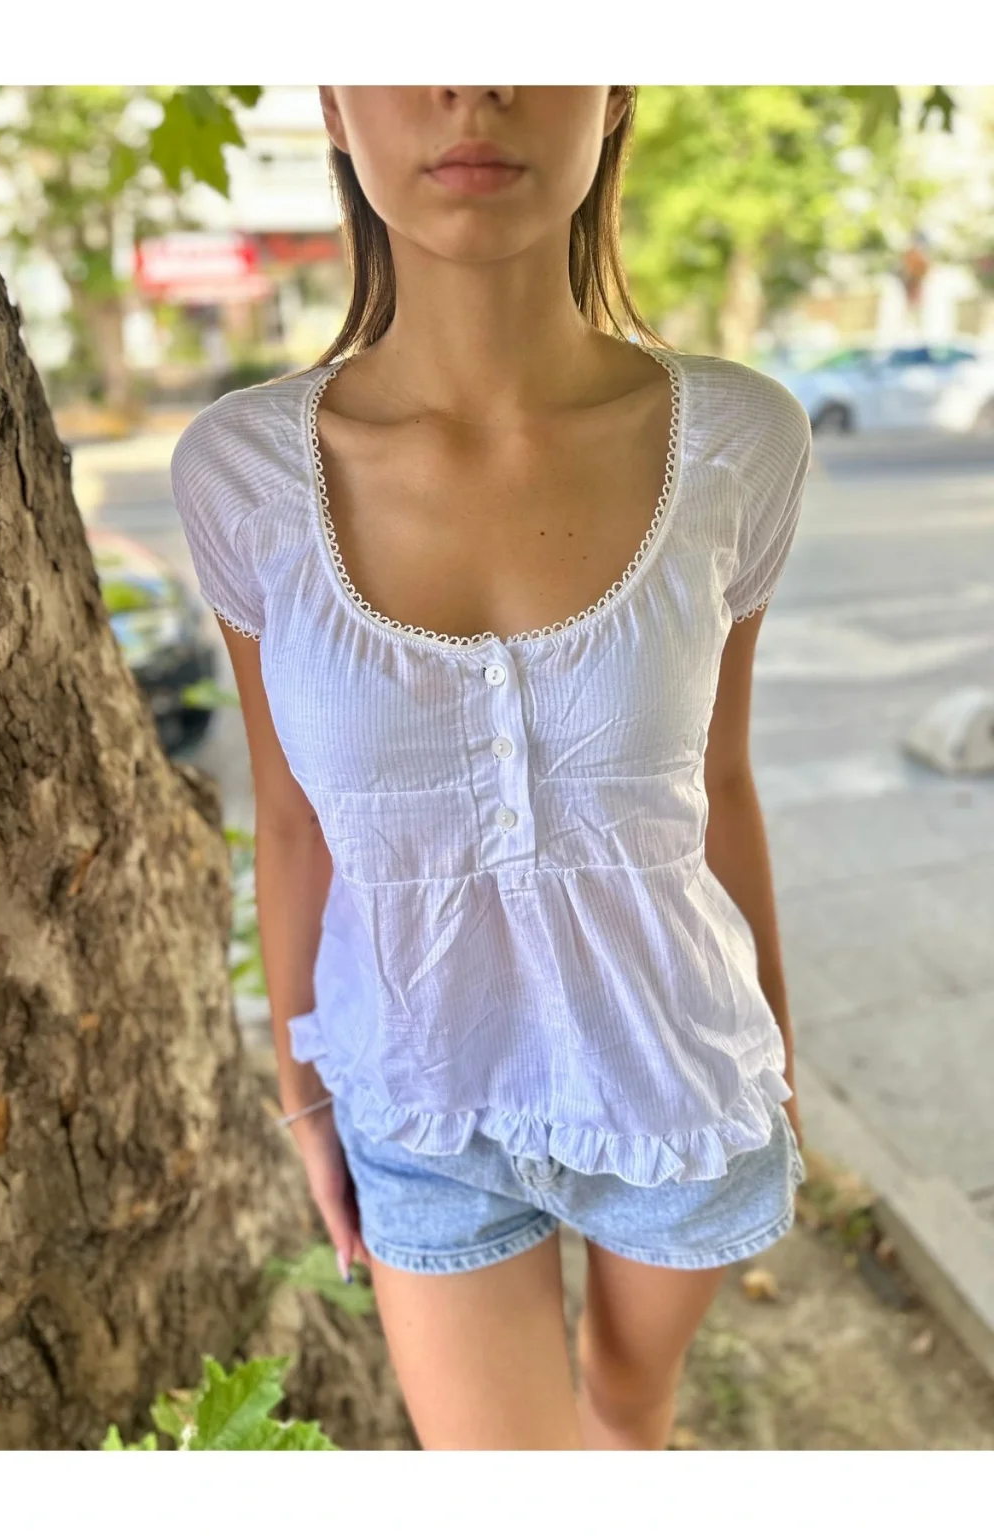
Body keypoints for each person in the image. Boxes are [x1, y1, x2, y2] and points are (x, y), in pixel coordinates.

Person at [171, 85, 811, 1452]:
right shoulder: (243, 472)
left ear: (615, 87)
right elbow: (290, 823)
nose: (473, 87)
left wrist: (778, 1054)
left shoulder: (740, 439)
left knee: (628, 1416)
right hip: (416, 1092)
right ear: (333, 104)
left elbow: (721, 781)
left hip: (673, 1076)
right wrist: (301, 1093)